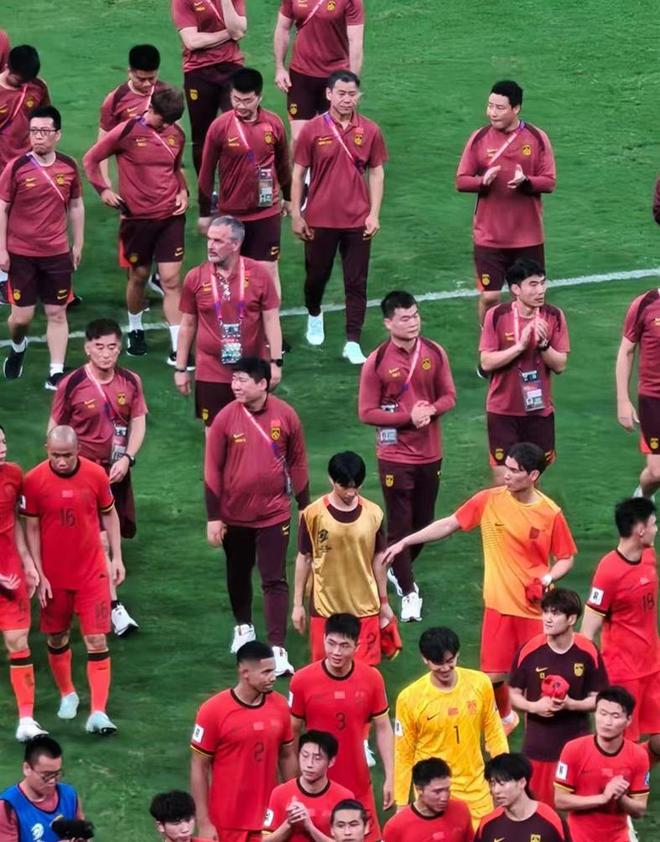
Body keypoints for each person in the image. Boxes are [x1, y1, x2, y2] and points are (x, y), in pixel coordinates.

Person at [384, 441, 577, 735]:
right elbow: (449, 524)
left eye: (514, 470)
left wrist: (548, 578)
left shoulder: (550, 513)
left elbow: (566, 557)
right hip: (498, 607)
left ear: (533, 475)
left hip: (534, 612)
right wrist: (405, 542)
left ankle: (541, 737)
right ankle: (507, 718)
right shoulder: (489, 500)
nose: (506, 474)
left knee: (539, 681)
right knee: (493, 678)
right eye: (506, 467)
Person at [204, 357, 309, 674]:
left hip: (275, 513)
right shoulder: (225, 418)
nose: (235, 385)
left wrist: (304, 504)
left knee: (274, 578)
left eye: (242, 379)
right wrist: (213, 516)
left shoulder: (286, 415)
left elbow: (298, 461)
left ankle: (277, 647)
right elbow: (212, 468)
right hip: (234, 516)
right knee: (238, 572)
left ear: (262, 384)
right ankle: (244, 626)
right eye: (233, 379)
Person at [358, 290, 456, 621]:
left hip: (430, 452)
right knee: (400, 524)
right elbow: (366, 411)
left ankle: (388, 566)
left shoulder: (434, 352)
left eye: (415, 316)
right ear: (388, 323)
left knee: (423, 523)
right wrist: (407, 418)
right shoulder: (377, 361)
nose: (413, 323)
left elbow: (449, 396)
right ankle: (409, 591)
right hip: (395, 455)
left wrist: (431, 410)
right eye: (404, 318)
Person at [21, 426, 124, 735]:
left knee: (97, 639)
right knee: (56, 637)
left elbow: (110, 515)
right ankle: (68, 693)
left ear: (78, 450)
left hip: (92, 573)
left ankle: (99, 712)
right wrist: (38, 573)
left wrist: (116, 557)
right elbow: (31, 528)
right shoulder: (34, 481)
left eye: (67, 455)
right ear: (47, 450)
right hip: (54, 576)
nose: (62, 461)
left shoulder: (95, 475)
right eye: (56, 455)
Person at [48, 318, 147, 637]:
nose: (106, 354)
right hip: (83, 473)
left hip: (116, 470)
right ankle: (114, 608)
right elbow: (55, 427)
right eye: (100, 347)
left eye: (112, 347)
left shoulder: (130, 381)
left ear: (120, 348)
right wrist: (60, 467)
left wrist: (128, 458)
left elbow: (138, 421)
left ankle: (88, 582)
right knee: (101, 538)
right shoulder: (72, 383)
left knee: (113, 530)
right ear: (87, 348)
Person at [83, 87, 188, 362]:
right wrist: (103, 190)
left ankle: (177, 347)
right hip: (137, 220)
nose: (164, 126)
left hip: (170, 217)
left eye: (169, 121)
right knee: (139, 276)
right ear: (151, 108)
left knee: (171, 280)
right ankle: (136, 328)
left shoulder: (177, 135)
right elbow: (91, 159)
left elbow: (175, 169)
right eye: (161, 119)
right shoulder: (127, 131)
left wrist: (183, 191)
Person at [291, 70, 386, 364]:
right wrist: (296, 213)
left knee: (356, 282)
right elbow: (298, 173)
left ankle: (352, 340)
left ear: (359, 96)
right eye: (341, 93)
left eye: (352, 94)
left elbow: (377, 172)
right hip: (320, 218)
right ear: (329, 94)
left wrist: (374, 214)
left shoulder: (370, 130)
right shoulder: (312, 130)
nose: (347, 99)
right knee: (316, 277)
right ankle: (314, 313)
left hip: (357, 221)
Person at [456, 80, 556, 325]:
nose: (492, 112)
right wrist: (482, 182)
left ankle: (527, 341)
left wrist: (526, 181)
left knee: (530, 297)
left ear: (516, 108)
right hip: (489, 237)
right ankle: (488, 343)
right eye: (490, 106)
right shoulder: (479, 138)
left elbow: (549, 181)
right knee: (490, 297)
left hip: (528, 237)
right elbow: (461, 180)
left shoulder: (537, 138)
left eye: (500, 108)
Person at [289, 613, 394, 842]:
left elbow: (383, 727)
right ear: (323, 639)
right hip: (316, 787)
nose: (336, 652)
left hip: (358, 785)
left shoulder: (372, 679)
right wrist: (293, 783)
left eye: (344, 646)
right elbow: (291, 734)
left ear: (357, 646)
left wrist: (390, 776)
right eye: (331, 643)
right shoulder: (301, 681)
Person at [1, 105, 84, 390]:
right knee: (21, 318)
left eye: (44, 131)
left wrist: (78, 243)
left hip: (56, 253)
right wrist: (1, 250)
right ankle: (18, 345)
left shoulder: (69, 166)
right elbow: (2, 207)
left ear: (57, 134)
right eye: (34, 131)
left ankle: (56, 372)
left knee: (57, 313)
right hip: (21, 254)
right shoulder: (16, 168)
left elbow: (76, 205)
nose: (38, 136)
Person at [175, 216, 283, 428]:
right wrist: (181, 369)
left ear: (235, 244)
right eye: (209, 239)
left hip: (252, 369)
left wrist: (276, 363)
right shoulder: (195, 277)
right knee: (214, 432)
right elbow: (187, 325)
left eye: (218, 241)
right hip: (210, 371)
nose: (210, 246)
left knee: (253, 431)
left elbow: (271, 319)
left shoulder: (259, 275)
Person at [394, 627, 508, 825]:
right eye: (438, 663)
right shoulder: (409, 698)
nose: (446, 668)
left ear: (457, 654)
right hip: (433, 792)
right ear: (425, 659)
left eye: (450, 661)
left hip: (476, 789)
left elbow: (494, 731)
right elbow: (403, 752)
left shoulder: (479, 683)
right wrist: (401, 803)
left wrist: (505, 775)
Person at [197, 68, 291, 301]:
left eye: (247, 100)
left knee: (268, 271)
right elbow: (206, 172)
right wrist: (204, 212)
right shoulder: (220, 127)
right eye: (236, 99)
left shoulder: (274, 124)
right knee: (229, 272)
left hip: (266, 211)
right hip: (231, 212)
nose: (240, 105)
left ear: (259, 97)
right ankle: (232, 320)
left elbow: (283, 165)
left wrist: (288, 197)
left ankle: (271, 324)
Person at [190, 640, 297, 842]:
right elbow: (199, 766)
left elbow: (287, 755)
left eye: (273, 670)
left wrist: (293, 800)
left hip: (269, 821)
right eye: (266, 672)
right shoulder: (212, 711)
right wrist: (203, 822)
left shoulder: (281, 705)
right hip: (226, 823)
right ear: (245, 672)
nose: (273, 677)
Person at [292, 451, 393, 664]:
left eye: (356, 486)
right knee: (325, 673)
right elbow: (304, 558)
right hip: (325, 608)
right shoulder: (313, 514)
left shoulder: (374, 513)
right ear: (331, 480)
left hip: (365, 607)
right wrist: (297, 604)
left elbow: (379, 559)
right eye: (344, 486)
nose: (351, 492)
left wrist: (384, 602)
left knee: (365, 673)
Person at [509, 588, 607, 805]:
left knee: (577, 813)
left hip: (578, 748)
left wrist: (572, 704)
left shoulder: (588, 651)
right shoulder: (529, 651)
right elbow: (513, 694)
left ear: (571, 619)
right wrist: (534, 707)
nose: (547, 618)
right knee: (540, 811)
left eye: (555, 613)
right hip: (538, 748)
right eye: (545, 612)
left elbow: (599, 698)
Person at [582, 497, 660, 761]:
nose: (656, 529)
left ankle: (636, 772)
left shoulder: (648, 555)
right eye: (653, 524)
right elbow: (588, 630)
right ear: (640, 530)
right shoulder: (609, 571)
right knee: (623, 745)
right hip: (624, 673)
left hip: (653, 667)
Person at [479, 259, 569, 483]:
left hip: (539, 412)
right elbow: (486, 362)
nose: (540, 290)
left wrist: (544, 345)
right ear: (516, 289)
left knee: (531, 479)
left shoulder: (554, 316)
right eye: (533, 284)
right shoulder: (497, 315)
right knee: (504, 480)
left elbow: (560, 365)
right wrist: (519, 347)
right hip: (502, 411)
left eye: (542, 283)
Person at [97, 44, 168, 295]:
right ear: (129, 71)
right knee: (134, 244)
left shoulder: (166, 94)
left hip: (163, 180)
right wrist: (104, 184)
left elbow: (176, 136)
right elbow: (102, 145)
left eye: (152, 78)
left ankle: (158, 276)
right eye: (141, 78)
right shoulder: (115, 100)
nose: (147, 84)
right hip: (132, 184)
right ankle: (136, 293)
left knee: (166, 231)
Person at [554, 687, 650, 842]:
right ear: (595, 714)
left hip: (619, 838)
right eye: (602, 713)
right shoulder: (573, 749)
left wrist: (620, 797)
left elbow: (639, 810)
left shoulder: (638, 756)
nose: (607, 722)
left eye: (615, 716)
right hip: (579, 838)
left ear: (629, 720)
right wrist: (603, 798)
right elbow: (560, 800)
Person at [0, 425, 44, 741]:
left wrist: (27, 562)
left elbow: (13, 521)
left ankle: (26, 720)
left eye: (3, 440)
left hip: (10, 569)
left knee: (18, 640)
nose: (2, 447)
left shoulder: (14, 475)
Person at [273, 0, 364, 148]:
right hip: (301, 75)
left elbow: (356, 42)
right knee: (298, 138)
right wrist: (279, 68)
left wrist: (352, 87)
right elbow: (282, 28)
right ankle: (296, 165)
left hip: (335, 79)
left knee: (334, 139)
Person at [170, 0, 246, 174]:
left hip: (232, 67)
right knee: (202, 136)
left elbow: (239, 29)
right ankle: (205, 188)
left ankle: (234, 184)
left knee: (237, 128)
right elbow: (192, 41)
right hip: (198, 71)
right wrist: (229, 33)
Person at [263, 730, 353, 842]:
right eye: (305, 756)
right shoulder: (279, 793)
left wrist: (310, 827)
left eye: (317, 758)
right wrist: (289, 823)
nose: (309, 764)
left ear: (331, 761)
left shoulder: (344, 798)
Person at [615, 286, 660, 497]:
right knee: (657, 472)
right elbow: (626, 351)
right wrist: (623, 400)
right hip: (654, 399)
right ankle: (643, 496)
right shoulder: (645, 304)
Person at [0, 735, 84, 842]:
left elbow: (83, 834)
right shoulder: (7, 807)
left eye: (57, 773)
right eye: (47, 775)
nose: (52, 781)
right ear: (27, 768)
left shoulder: (69, 795)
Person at [476, 753, 567, 842]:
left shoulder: (550, 820)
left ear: (522, 782)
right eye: (492, 784)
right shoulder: (488, 824)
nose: (496, 790)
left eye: (502, 783)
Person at [382, 758, 473, 842]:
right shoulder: (396, 827)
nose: (444, 797)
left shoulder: (461, 810)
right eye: (437, 792)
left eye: (447, 789)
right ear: (419, 789)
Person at [0, 45, 50, 173]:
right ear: (7, 66)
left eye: (28, 79)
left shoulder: (38, 86)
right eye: (19, 80)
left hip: (29, 163)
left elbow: (46, 119)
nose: (25, 84)